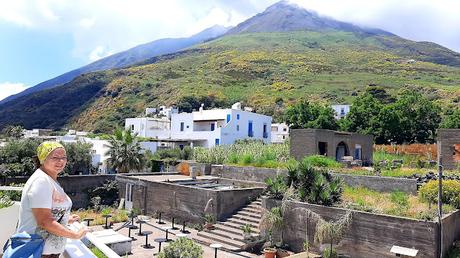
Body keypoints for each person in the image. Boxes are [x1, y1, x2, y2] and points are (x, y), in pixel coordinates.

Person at [16, 141, 89, 258]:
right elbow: (45, 221)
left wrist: (66, 219)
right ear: (43, 159)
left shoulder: (50, 180)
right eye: (55, 157)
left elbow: (46, 213)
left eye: (63, 157)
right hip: (39, 251)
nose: (60, 161)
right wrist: (75, 235)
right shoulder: (41, 181)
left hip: (47, 251)